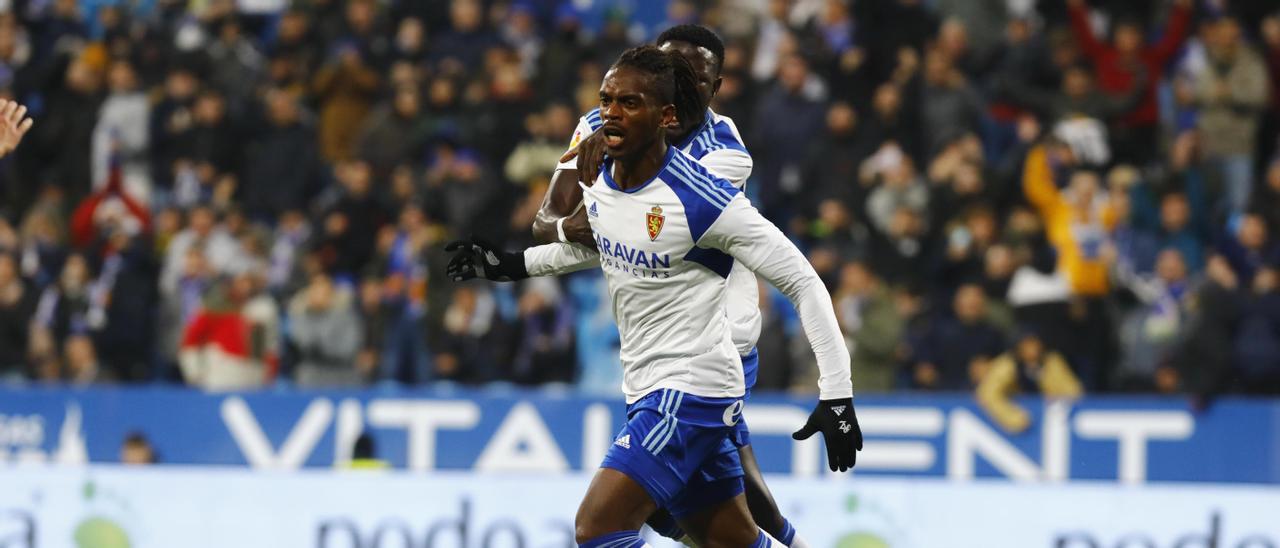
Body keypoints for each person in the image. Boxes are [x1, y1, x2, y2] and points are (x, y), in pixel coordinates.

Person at [447, 46, 860, 548]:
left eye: (629, 103)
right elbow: (605, 243)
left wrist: (836, 394)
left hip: (691, 387)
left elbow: (802, 280)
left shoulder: (705, 196)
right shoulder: (603, 178)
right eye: (606, 101)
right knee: (731, 539)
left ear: (666, 116)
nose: (611, 113)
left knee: (597, 528)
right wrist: (510, 266)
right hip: (646, 383)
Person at [527, 24, 804, 546]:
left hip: (719, 337)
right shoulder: (602, 120)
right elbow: (547, 223)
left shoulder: (723, 151)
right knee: (700, 515)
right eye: (669, 73)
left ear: (714, 88)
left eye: (692, 80)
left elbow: (652, 224)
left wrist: (601, 204)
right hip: (654, 348)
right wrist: (577, 221)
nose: (678, 87)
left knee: (607, 521)